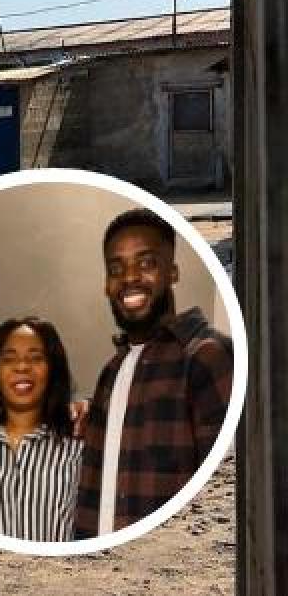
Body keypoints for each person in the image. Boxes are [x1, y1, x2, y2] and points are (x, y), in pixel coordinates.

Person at [73, 208, 233, 538]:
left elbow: (227, 496)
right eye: (116, 269)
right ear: (106, 284)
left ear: (172, 272)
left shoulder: (206, 357)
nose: (129, 278)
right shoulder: (112, 372)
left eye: (146, 263)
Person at [0, 317, 84, 542]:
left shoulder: (79, 445)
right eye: (9, 359)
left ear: (52, 369)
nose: (22, 367)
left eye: (36, 358)